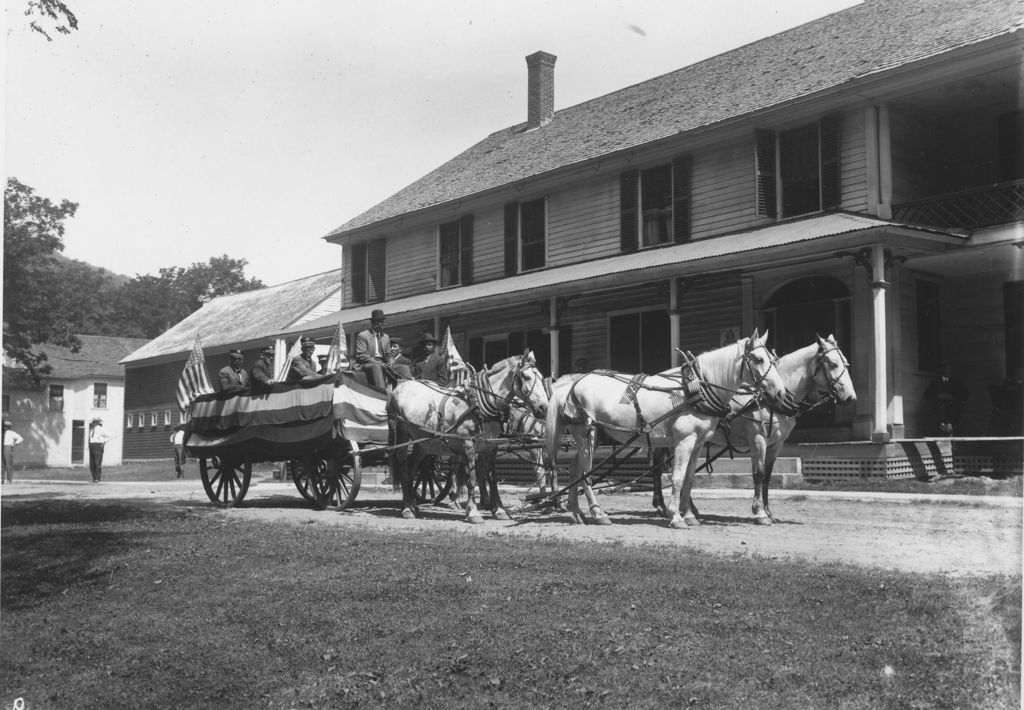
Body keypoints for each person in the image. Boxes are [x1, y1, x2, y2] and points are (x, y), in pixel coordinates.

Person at [923, 361, 969, 435]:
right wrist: (939, 396)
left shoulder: (956, 383)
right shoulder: (935, 383)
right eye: (947, 369)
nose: (949, 371)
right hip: (940, 412)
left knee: (951, 431)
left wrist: (952, 397)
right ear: (942, 370)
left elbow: (965, 395)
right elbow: (927, 395)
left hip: (952, 412)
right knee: (941, 431)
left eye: (950, 369)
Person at [354, 310, 391, 389]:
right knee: (376, 367)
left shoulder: (385, 337)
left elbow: (388, 355)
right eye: (377, 321)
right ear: (372, 322)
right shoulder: (363, 335)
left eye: (381, 321)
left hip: (383, 362)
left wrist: (390, 362)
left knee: (403, 367)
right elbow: (362, 355)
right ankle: (382, 393)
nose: (380, 323)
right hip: (367, 363)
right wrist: (378, 363)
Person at [88, 418, 112, 482]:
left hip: (97, 446)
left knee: (97, 463)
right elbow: (91, 439)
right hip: (92, 446)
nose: (93, 424)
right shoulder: (92, 430)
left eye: (94, 422)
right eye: (93, 422)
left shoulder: (100, 429)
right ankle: (94, 478)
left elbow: (109, 435)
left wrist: (103, 442)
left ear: (97, 423)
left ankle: (97, 478)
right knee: (92, 463)